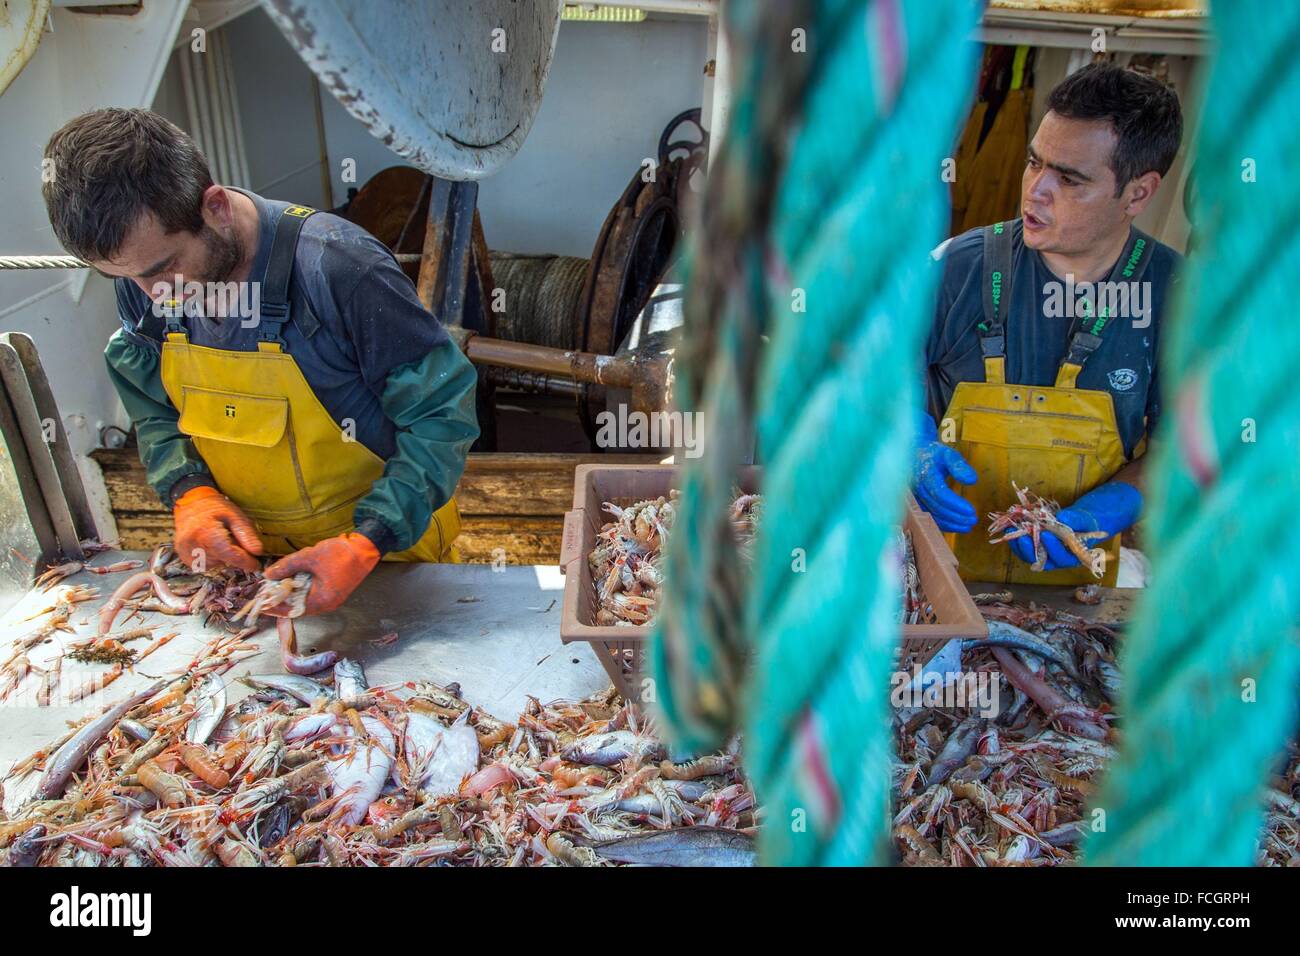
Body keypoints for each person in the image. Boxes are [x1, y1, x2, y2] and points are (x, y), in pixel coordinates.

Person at [42, 108, 479, 614]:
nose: (153, 295)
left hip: (388, 559)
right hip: (249, 573)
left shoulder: (339, 269)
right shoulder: (145, 285)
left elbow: (441, 418)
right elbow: (151, 407)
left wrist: (369, 540)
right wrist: (189, 493)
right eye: (124, 277)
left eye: (163, 268)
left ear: (215, 208)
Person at [916, 63, 1183, 585]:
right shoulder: (955, 267)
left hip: (1076, 587)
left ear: (1138, 194)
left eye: (1069, 179)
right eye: (1035, 163)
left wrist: (1106, 512)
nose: (1035, 191)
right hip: (938, 578)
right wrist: (912, 438)